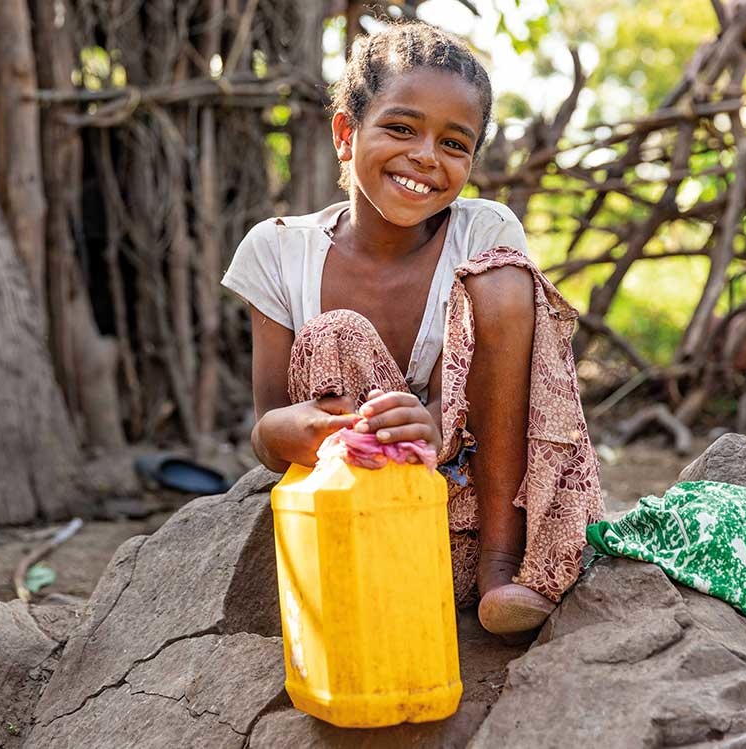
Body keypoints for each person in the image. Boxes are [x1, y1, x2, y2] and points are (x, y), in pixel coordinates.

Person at [222, 21, 602, 638]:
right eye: (401, 128)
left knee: (506, 281)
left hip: (467, 507)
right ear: (346, 133)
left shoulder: (483, 234)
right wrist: (300, 429)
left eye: (454, 143)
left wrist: (434, 418)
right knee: (335, 331)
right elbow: (265, 433)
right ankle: (389, 579)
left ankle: (501, 568)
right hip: (364, 517)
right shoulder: (277, 251)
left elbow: (507, 394)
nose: (425, 156)